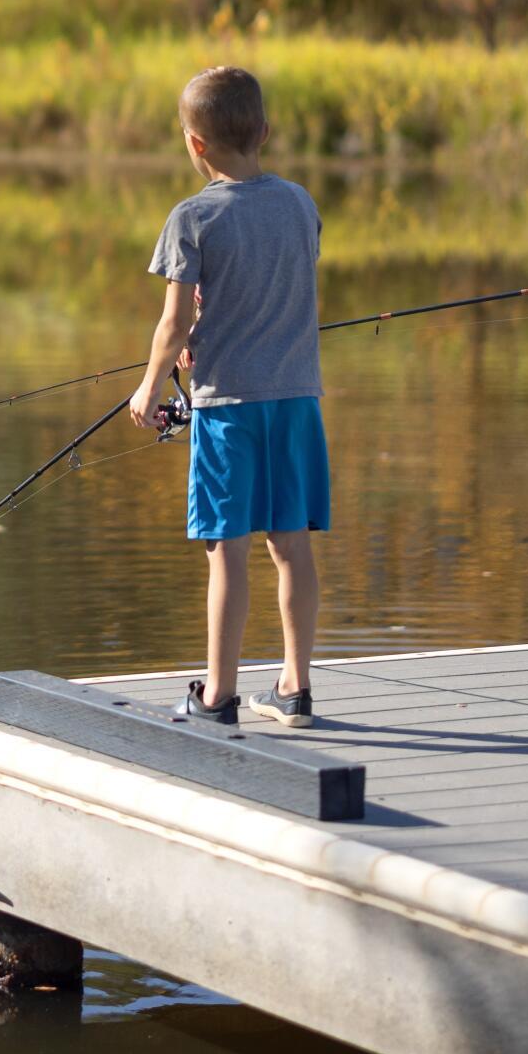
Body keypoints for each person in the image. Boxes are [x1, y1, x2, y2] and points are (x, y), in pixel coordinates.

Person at [128, 67, 328, 728]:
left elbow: (173, 325)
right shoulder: (301, 203)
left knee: (228, 549)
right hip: (297, 402)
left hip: (227, 411)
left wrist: (149, 384)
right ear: (264, 132)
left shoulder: (192, 218)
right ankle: (294, 690)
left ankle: (217, 696)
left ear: (195, 144)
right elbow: (270, 289)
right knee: (291, 544)